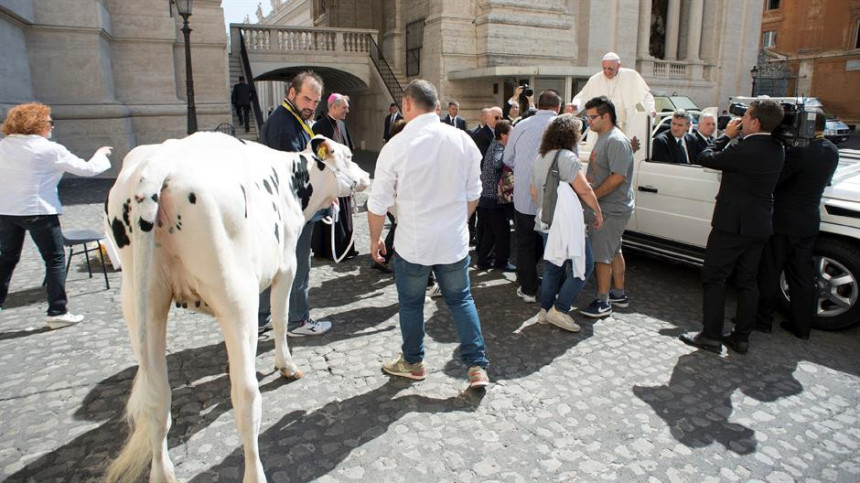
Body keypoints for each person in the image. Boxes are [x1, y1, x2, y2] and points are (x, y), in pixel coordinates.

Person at [368, 79, 490, 388]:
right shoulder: (463, 140)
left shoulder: (395, 146)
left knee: (411, 303)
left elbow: (378, 202)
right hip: (452, 241)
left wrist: (374, 239)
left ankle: (413, 362)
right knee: (461, 299)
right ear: (435, 105)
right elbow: (474, 193)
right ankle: (477, 366)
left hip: (414, 241)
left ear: (407, 105)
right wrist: (457, 221)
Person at [679, 98, 786, 355]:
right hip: (759, 224)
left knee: (714, 277)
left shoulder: (742, 148)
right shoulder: (778, 148)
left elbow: (704, 157)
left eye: (746, 116)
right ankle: (741, 338)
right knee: (748, 281)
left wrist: (725, 136)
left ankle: (711, 336)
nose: (741, 120)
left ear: (755, 122)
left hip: (731, 225)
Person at [0, 102, 112, 328]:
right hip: (38, 210)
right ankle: (57, 311)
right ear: (37, 123)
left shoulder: (4, 146)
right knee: (54, 260)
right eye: (50, 122)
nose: (52, 126)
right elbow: (88, 169)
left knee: (7, 259)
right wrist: (100, 154)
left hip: (6, 210)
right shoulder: (49, 149)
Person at [258, 70, 332, 337]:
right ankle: (298, 322)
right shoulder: (284, 123)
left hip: (283, 212)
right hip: (290, 213)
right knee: (300, 266)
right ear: (291, 93)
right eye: (306, 99)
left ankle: (261, 318)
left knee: (275, 267)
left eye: (315, 101)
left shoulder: (293, 119)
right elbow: (293, 171)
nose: (311, 106)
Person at [756, 111, 839, 340]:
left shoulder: (800, 151)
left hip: (783, 222)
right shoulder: (831, 150)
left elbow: (778, 179)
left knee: (770, 271)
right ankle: (802, 326)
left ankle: (762, 320)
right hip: (809, 222)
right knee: (802, 276)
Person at [529, 115, 603, 332]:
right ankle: (560, 309)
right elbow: (584, 190)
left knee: (553, 266)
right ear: (571, 135)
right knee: (584, 265)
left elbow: (534, 192)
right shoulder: (567, 158)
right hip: (565, 223)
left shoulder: (539, 158)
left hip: (545, 221)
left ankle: (545, 310)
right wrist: (597, 211)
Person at [503, 90, 562, 303]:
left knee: (526, 242)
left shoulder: (521, 125)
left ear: (538, 104)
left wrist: (525, 168)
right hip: (554, 198)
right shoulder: (563, 126)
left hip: (524, 197)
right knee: (554, 245)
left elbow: (508, 157)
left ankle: (528, 288)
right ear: (558, 107)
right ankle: (552, 289)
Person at [579, 96, 635, 318]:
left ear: (606, 116)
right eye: (587, 117)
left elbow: (618, 177)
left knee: (602, 254)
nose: (588, 122)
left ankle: (603, 301)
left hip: (611, 208)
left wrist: (591, 196)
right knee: (613, 250)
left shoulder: (615, 140)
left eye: (592, 117)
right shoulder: (603, 137)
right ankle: (618, 294)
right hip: (608, 206)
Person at [311, 93, 359, 262]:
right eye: (344, 107)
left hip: (343, 179)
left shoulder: (343, 125)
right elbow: (318, 156)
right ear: (334, 107)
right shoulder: (319, 126)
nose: (347, 110)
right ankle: (327, 250)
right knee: (330, 214)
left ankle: (346, 248)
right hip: (328, 181)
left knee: (345, 214)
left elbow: (348, 151)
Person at [571, 52, 656, 132]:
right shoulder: (595, 80)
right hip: (602, 125)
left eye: (610, 69)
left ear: (619, 66)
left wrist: (651, 109)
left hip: (626, 125)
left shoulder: (631, 76)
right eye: (604, 68)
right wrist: (576, 105)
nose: (607, 71)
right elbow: (583, 96)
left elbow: (646, 96)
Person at [477, 120, 515, 271]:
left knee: (490, 233)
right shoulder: (499, 148)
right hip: (494, 198)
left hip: (487, 198)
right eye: (511, 133)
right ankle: (501, 262)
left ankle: (482, 261)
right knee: (502, 233)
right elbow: (497, 163)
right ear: (504, 135)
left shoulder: (494, 146)